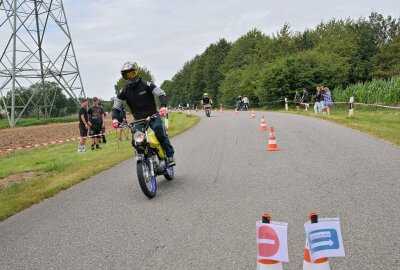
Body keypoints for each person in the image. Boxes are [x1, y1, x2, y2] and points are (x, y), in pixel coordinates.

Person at [112, 61, 175, 166]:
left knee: (160, 134)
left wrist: (163, 107)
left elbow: (161, 94)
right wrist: (114, 119)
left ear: (136, 73)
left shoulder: (146, 84)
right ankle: (143, 158)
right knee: (136, 141)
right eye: (127, 75)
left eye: (132, 73)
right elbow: (116, 107)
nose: (130, 77)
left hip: (153, 116)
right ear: (124, 76)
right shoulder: (124, 91)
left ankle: (170, 156)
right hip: (138, 120)